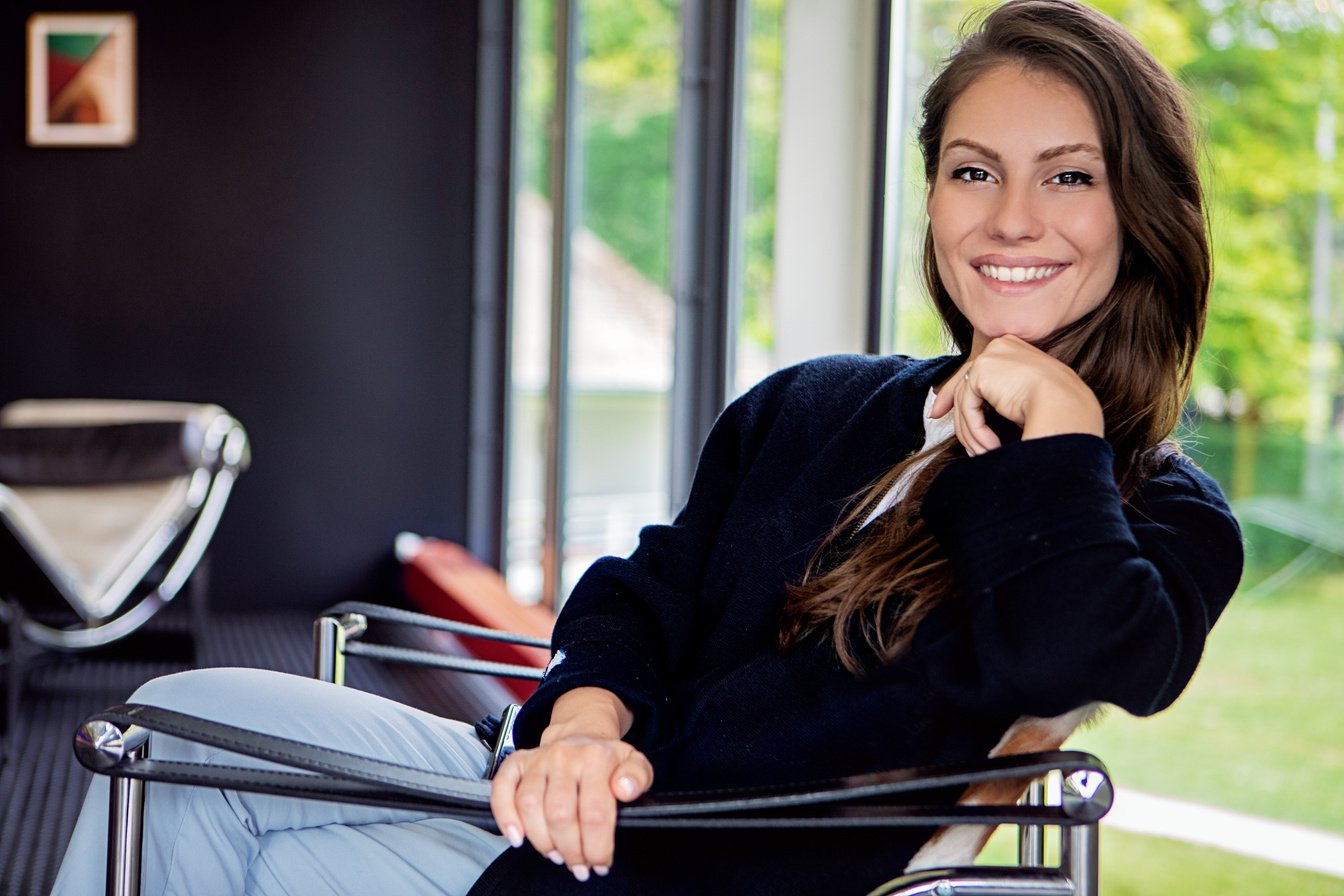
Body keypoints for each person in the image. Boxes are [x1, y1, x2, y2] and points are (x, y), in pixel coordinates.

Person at [53, 1, 1243, 894]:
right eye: (972, 172)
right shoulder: (816, 400)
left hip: (665, 861)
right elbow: (647, 584)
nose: (1011, 219)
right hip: (554, 771)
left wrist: (1062, 433)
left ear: (1138, 212)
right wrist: (581, 722)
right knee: (175, 714)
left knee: (202, 819)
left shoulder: (1154, 513)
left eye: (1069, 177)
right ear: (931, 198)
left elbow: (1093, 649)